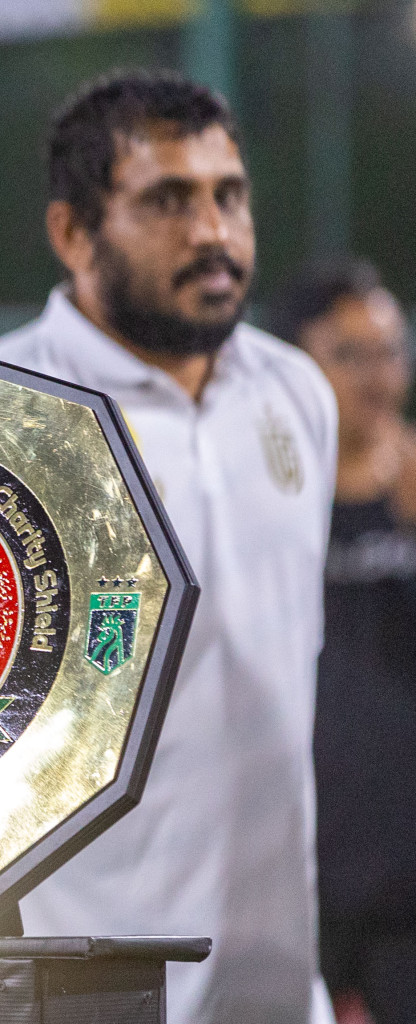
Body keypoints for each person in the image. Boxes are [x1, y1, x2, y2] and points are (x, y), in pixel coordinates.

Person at [0, 69, 337, 1024]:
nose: (213, 233)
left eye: (229, 195)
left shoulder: (295, 393)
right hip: (84, 993)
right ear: (72, 233)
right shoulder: (5, 414)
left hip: (277, 993)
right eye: (166, 201)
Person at [271, 258, 416, 1024]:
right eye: (348, 354)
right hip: (298, 881)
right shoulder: (264, 504)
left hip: (405, 890)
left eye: (391, 351)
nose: (377, 374)